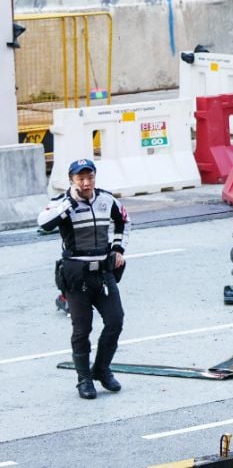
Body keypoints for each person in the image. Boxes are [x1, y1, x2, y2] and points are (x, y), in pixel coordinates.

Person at [37, 159, 128, 400]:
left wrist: (119, 248)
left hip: (103, 274)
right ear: (72, 180)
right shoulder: (62, 203)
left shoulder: (107, 200)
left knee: (115, 321)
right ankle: (84, 380)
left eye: (90, 177)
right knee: (82, 330)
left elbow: (123, 222)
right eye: (81, 178)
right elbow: (44, 224)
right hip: (76, 277)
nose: (86, 183)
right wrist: (70, 201)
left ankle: (102, 370)